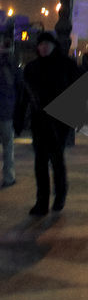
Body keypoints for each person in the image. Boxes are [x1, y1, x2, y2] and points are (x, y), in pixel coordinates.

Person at [16, 29, 79, 216]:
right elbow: (24, 97)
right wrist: (19, 119)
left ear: (53, 46)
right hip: (39, 122)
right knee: (40, 163)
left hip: (59, 122)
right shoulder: (32, 68)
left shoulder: (65, 65)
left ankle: (60, 195)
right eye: (41, 44)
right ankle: (41, 201)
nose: (43, 48)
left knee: (57, 160)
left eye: (47, 45)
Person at [0, 32, 23, 189]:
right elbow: (20, 87)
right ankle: (9, 177)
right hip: (7, 112)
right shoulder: (13, 65)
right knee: (8, 146)